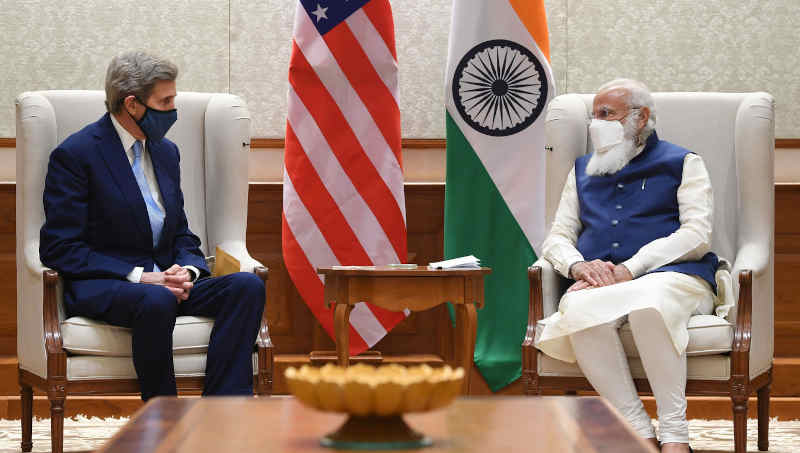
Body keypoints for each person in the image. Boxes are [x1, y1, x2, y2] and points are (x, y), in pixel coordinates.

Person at [39, 51, 265, 401]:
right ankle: (163, 422)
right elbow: (60, 248)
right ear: (132, 104)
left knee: (246, 287)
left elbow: (181, 233)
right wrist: (140, 276)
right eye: (166, 101)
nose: (174, 110)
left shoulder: (165, 152)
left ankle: (222, 412)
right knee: (157, 298)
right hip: (108, 285)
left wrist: (187, 270)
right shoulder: (77, 155)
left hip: (165, 283)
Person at [535, 79, 731, 453]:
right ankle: (637, 431)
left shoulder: (683, 162)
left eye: (606, 114)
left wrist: (632, 267)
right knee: (579, 308)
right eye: (594, 115)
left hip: (676, 279)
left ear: (640, 119)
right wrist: (578, 267)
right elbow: (557, 236)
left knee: (647, 305)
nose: (596, 123)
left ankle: (675, 437)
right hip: (604, 284)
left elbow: (696, 234)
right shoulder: (581, 172)